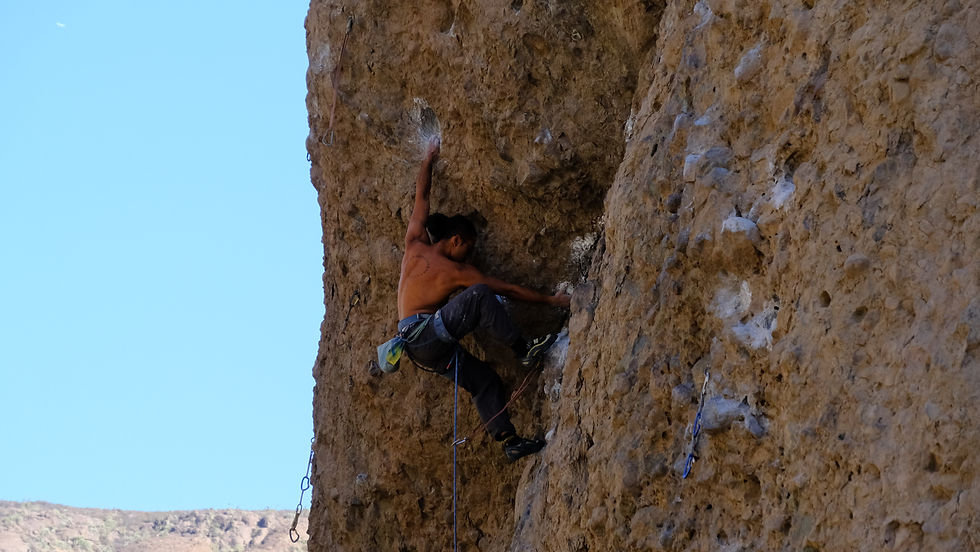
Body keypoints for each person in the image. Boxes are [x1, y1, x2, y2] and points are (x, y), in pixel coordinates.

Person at [396, 137, 569, 462]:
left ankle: (509, 440)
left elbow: (422, 196)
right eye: (469, 247)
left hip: (420, 349)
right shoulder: (454, 271)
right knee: (479, 294)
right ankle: (524, 350)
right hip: (428, 335)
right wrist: (552, 301)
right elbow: (506, 289)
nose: (470, 255)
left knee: (485, 380)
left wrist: (428, 158)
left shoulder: (413, 244)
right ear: (456, 239)